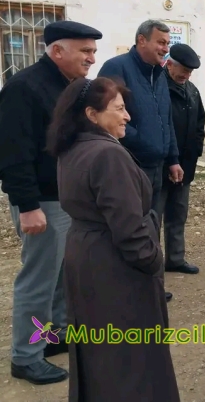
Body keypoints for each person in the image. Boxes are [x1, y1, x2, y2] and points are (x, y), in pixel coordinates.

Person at [46, 77, 180, 402]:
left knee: (99, 352)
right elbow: (130, 233)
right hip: (114, 266)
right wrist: (153, 262)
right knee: (130, 361)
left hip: (85, 256)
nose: (127, 116)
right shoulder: (108, 156)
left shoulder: (72, 147)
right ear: (92, 115)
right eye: (119, 109)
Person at [0, 20, 102, 385]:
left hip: (65, 197)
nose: (92, 58)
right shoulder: (24, 88)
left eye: (93, 51)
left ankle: (51, 334)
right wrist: (27, 206)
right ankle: (26, 357)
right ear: (57, 51)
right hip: (41, 201)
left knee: (62, 275)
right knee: (38, 280)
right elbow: (13, 154)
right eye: (85, 51)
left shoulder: (71, 87)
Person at [98, 19, 183, 302]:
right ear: (141, 40)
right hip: (128, 164)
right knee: (127, 228)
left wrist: (172, 158)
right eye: (160, 42)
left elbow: (165, 120)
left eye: (167, 43)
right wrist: (143, 144)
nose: (165, 48)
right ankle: (124, 287)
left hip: (156, 167)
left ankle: (148, 284)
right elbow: (107, 116)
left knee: (150, 225)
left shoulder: (159, 74)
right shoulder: (117, 68)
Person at [159, 43, 205, 275]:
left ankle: (176, 258)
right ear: (169, 65)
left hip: (185, 164)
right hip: (161, 165)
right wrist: (169, 160)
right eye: (183, 70)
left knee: (178, 214)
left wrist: (195, 151)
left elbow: (200, 123)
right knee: (153, 217)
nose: (186, 75)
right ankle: (151, 265)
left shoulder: (192, 90)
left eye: (190, 72)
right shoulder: (157, 88)